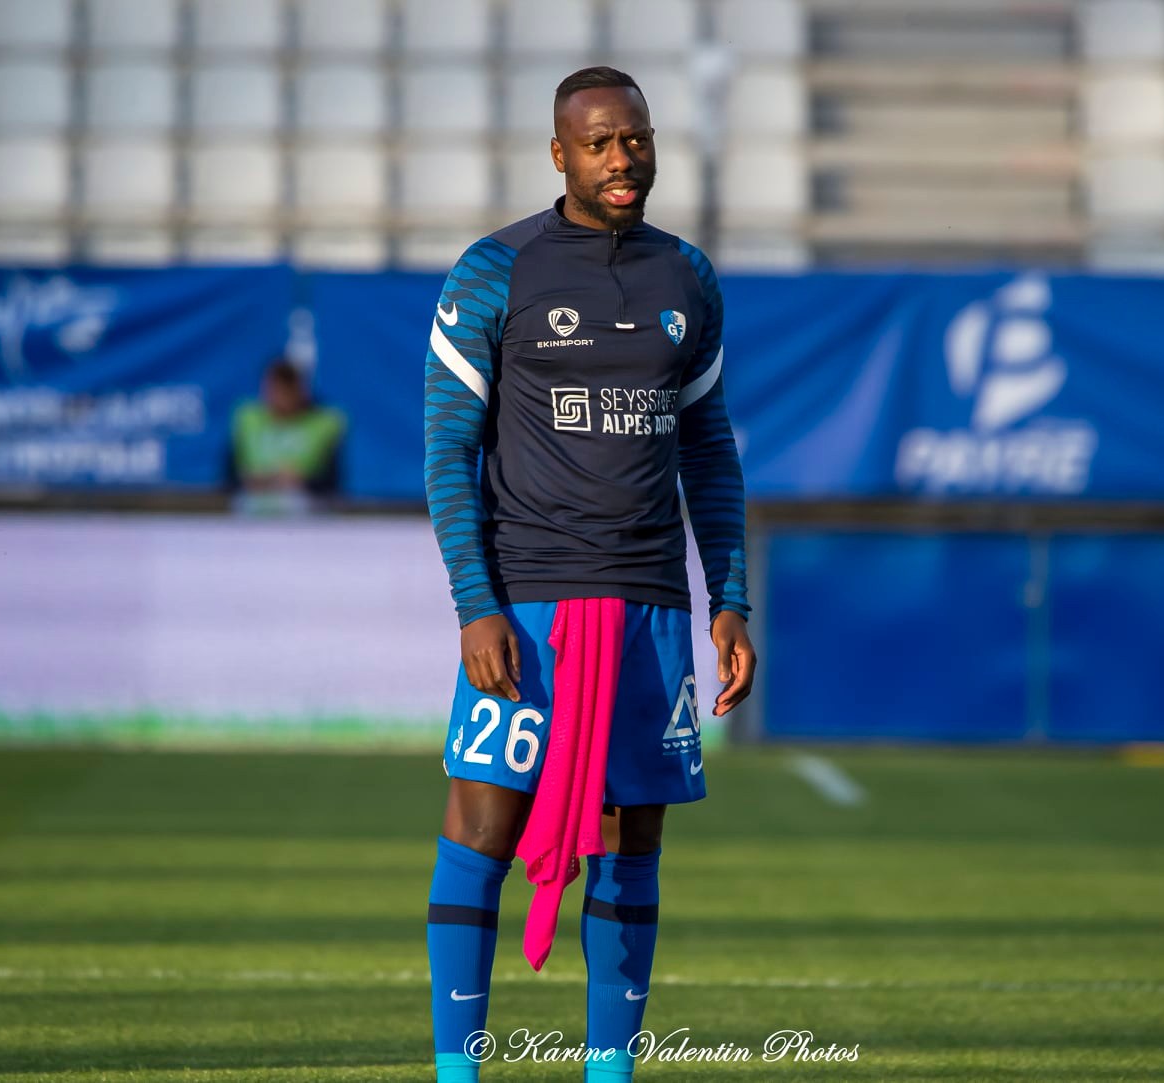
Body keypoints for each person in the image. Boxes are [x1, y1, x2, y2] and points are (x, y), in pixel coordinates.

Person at [421, 67, 755, 1083]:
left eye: (637, 140)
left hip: (650, 603)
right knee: (482, 819)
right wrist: (475, 606)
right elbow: (446, 450)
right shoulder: (494, 271)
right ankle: (456, 1069)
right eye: (600, 143)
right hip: (527, 600)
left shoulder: (685, 277)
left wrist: (728, 597)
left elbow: (708, 451)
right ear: (559, 153)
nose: (623, 160)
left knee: (631, 832)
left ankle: (608, 1071)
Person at [226, 357, 346, 515]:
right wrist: (251, 480)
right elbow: (228, 475)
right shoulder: (247, 417)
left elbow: (333, 482)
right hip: (250, 506)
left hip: (306, 511)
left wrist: (302, 482)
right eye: (274, 389)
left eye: (286, 390)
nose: (280, 397)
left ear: (300, 390)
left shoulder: (326, 422)